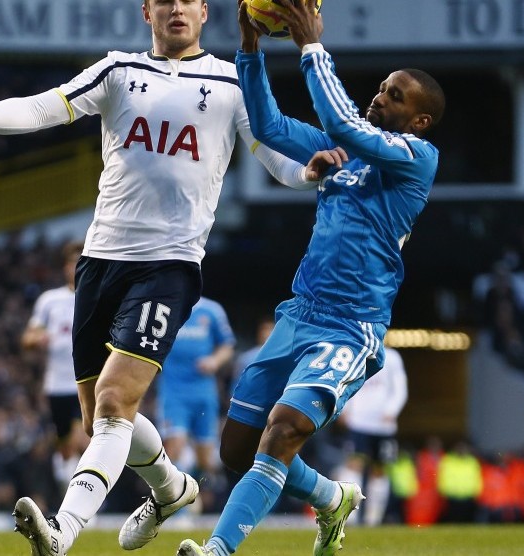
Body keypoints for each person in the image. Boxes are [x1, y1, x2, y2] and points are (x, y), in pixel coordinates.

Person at [0, 1, 329, 555]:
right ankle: (172, 488)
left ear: (205, 12)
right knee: (100, 420)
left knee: (113, 403)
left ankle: (62, 531)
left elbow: (270, 155)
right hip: (100, 260)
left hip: (170, 265)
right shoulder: (118, 71)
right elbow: (46, 109)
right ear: (147, 11)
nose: (177, 7)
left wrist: (308, 174)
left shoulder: (230, 81)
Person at [178, 1, 445, 555]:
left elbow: (345, 120)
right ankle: (329, 497)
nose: (380, 96)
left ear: (419, 119)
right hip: (299, 313)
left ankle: (217, 550)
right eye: (382, 87)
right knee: (236, 451)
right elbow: (271, 126)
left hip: (352, 327)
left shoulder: (417, 158)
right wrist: (249, 49)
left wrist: (310, 44)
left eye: (395, 95)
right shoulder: (343, 151)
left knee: (283, 430)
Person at [20, 240, 89, 495]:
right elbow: (27, 338)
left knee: (85, 439)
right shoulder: (50, 300)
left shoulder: (98, 296)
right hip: (57, 384)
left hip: (88, 380)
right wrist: (38, 338)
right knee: (66, 447)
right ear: (64, 267)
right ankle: (71, 491)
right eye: (72, 262)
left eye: (81, 261)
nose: (76, 266)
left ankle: (82, 497)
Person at [156, 296, 236, 512]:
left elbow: (227, 345)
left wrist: (215, 361)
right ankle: (173, 506)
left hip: (203, 394)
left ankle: (196, 494)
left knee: (205, 459)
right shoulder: (166, 308)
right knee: (174, 448)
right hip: (173, 394)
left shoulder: (211, 310)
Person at [339, 346, 408, 525]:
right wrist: (344, 408)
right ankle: (353, 517)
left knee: (379, 470)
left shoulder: (392, 357)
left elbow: (400, 387)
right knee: (355, 466)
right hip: (358, 422)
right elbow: (346, 383)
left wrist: (391, 410)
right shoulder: (355, 353)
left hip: (384, 426)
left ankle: (374, 518)